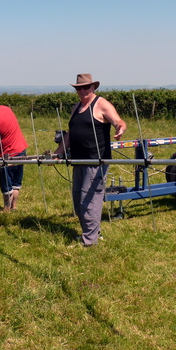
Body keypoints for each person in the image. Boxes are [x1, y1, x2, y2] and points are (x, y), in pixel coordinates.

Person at [56, 73, 126, 247]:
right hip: (78, 160)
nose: (82, 90)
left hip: (96, 161)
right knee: (78, 198)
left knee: (90, 199)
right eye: (79, 88)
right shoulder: (76, 107)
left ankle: (89, 242)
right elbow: (70, 134)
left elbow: (119, 121)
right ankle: (93, 233)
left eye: (86, 87)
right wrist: (58, 152)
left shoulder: (101, 104)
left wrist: (120, 129)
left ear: (93, 87)